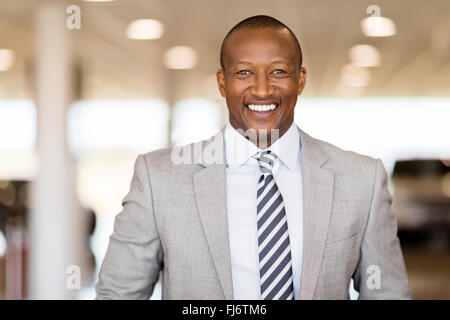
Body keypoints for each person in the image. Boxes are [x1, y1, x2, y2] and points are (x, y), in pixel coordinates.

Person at [95, 15, 411, 300]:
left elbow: (388, 294)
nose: (262, 90)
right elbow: (118, 294)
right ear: (223, 82)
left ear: (300, 80)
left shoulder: (362, 179)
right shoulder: (158, 178)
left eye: (278, 72)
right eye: (244, 72)